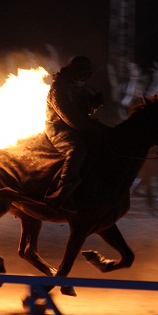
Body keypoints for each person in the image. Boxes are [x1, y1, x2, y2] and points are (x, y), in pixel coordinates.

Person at [44, 56, 108, 211]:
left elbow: (84, 110)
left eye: (88, 73)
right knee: (77, 150)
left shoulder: (79, 86)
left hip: (77, 126)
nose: (86, 77)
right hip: (59, 128)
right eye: (83, 72)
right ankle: (62, 193)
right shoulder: (58, 88)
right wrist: (93, 128)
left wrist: (94, 104)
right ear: (74, 70)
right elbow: (70, 117)